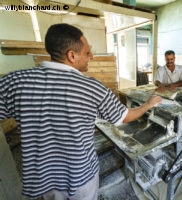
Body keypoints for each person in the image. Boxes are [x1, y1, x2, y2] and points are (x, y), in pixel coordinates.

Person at [0, 23, 161, 200]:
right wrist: (148, 104)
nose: (91, 56)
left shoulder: (15, 82)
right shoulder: (90, 87)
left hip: (45, 180)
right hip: (80, 178)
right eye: (87, 52)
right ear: (72, 55)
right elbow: (124, 117)